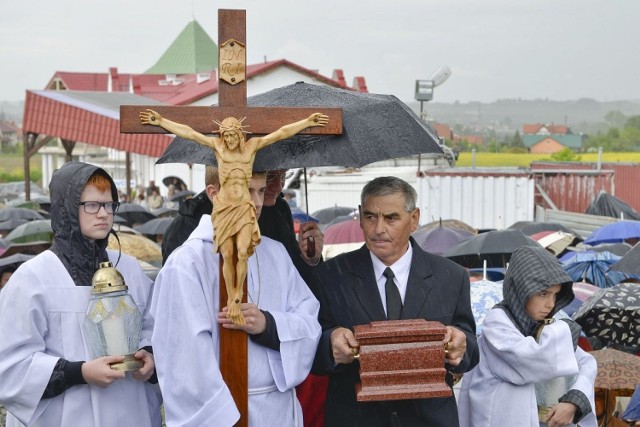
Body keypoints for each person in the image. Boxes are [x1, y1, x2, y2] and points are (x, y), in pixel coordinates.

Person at [151, 171, 321, 426]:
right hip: (221, 414)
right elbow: (185, 360)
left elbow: (310, 323)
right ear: (214, 194)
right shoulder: (187, 263)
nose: (257, 202)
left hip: (278, 410)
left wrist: (268, 324)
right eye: (246, 191)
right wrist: (225, 418)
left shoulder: (276, 253)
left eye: (261, 191)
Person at [0, 162, 162, 426]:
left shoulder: (129, 270)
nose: (103, 214)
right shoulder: (33, 279)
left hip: (130, 410)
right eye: (91, 205)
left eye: (109, 204)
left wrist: (149, 355)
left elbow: (156, 328)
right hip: (68, 416)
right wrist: (82, 372)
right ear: (66, 208)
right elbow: (11, 366)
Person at [311, 176, 479, 427]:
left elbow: (472, 351)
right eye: (370, 217)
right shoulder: (330, 276)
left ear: (414, 220)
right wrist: (330, 344)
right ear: (359, 216)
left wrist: (460, 346)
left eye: (391, 218)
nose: (379, 229)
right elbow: (311, 351)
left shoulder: (451, 276)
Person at [140, 108, 328, 324]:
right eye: (273, 176)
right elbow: (177, 312)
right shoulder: (189, 230)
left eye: (282, 176)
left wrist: (310, 259)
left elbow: (303, 299)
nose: (276, 186)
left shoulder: (279, 215)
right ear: (214, 193)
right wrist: (162, 120)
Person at [457, 246, 597, 427]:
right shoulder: (497, 324)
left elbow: (587, 363)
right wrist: (564, 331)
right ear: (522, 291)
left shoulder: (548, 326)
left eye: (555, 295)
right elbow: (531, 361)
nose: (551, 304)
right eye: (543, 294)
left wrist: (574, 400)